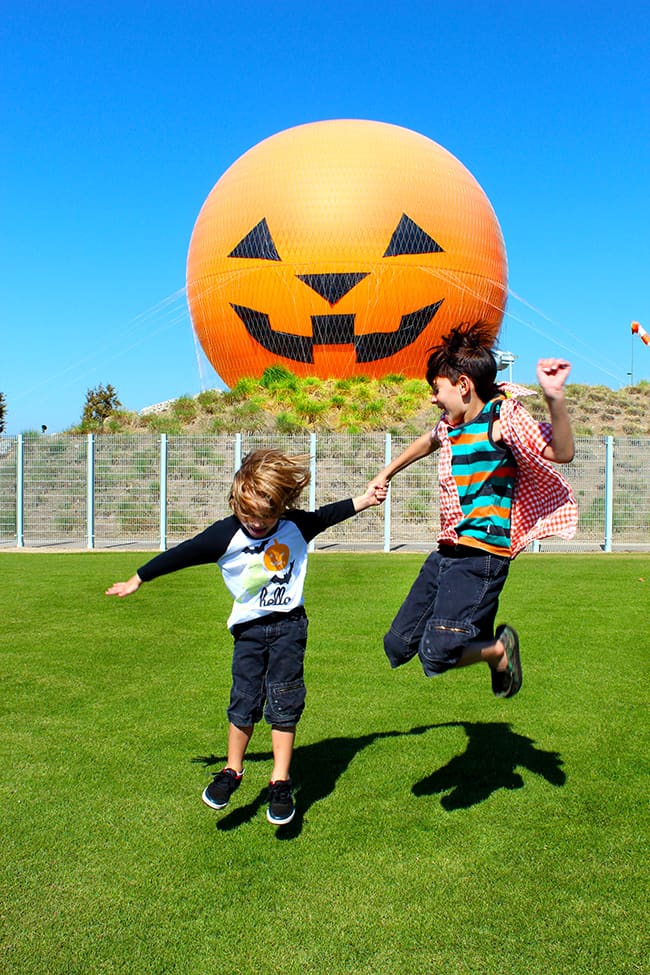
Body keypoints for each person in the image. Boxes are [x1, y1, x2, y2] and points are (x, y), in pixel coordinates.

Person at [106, 448, 386, 826]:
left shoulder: (295, 526)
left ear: (281, 506)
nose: (256, 524)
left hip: (289, 627)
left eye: (266, 517)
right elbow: (182, 553)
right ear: (236, 503)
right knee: (244, 701)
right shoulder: (224, 535)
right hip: (249, 633)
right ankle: (232, 771)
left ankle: (280, 781)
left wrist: (367, 499)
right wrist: (138, 578)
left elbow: (327, 516)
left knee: (285, 702)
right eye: (248, 515)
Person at [368, 322, 577, 698]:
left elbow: (561, 453)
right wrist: (386, 472)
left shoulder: (502, 420)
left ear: (464, 385)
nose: (433, 398)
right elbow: (426, 441)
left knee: (436, 654)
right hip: (448, 551)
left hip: (481, 555)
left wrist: (554, 399)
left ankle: (498, 651)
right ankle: (475, 630)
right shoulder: (450, 425)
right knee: (397, 646)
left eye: (437, 389)